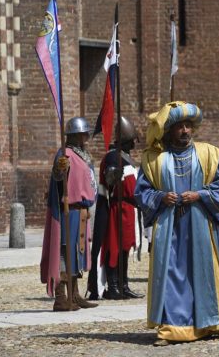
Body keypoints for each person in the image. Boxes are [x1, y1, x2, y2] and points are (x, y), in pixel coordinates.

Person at [134, 101, 219, 346]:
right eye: (179, 127)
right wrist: (160, 197)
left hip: (201, 227)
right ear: (169, 130)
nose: (185, 131)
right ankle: (171, 327)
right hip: (170, 229)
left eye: (188, 126)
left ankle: (210, 323)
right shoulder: (154, 160)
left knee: (204, 272)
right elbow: (141, 192)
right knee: (170, 274)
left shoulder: (209, 154)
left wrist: (200, 195)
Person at [40, 117, 98, 311]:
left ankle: (74, 294)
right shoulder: (64, 154)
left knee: (77, 253)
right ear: (75, 136)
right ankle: (61, 297)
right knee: (64, 252)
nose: (86, 137)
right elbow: (57, 177)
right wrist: (59, 169)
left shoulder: (83, 155)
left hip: (81, 212)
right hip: (67, 211)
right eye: (82, 134)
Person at [88, 116, 144, 300]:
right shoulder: (113, 156)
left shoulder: (125, 157)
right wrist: (114, 172)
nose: (134, 145)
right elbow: (109, 179)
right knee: (115, 247)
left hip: (129, 209)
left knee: (126, 247)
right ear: (125, 140)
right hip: (117, 208)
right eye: (131, 141)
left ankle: (123, 284)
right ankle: (112, 286)